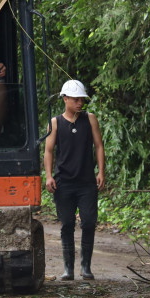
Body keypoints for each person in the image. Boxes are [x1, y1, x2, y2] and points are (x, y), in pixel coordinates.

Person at [44, 80, 105, 280]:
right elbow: (49, 150)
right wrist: (49, 176)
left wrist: (101, 172)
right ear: (65, 99)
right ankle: (68, 269)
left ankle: (85, 267)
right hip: (64, 182)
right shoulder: (55, 122)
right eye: (76, 99)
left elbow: (99, 146)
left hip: (86, 181)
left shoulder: (90, 119)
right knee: (67, 223)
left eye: (82, 99)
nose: (80, 103)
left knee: (88, 222)